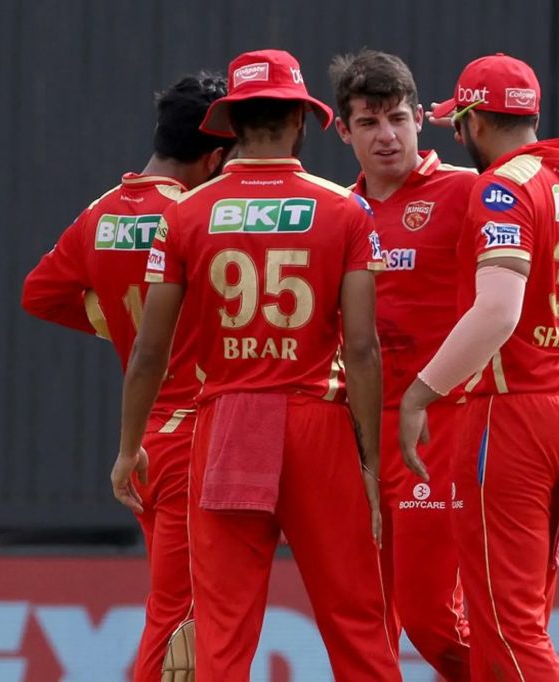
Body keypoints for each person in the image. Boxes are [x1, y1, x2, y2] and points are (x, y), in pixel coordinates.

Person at [111, 48, 401, 682]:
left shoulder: (184, 214)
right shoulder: (345, 210)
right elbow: (362, 349)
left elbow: (150, 352)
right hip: (316, 425)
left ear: (232, 124)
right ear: (300, 119)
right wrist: (371, 463)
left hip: (226, 426)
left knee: (221, 634)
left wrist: (130, 447)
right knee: (358, 624)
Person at [399, 53, 559, 680]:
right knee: (519, 622)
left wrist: (419, 394)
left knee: (507, 628)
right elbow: (558, 303)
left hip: (513, 418)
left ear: (474, 122)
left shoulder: (501, 190)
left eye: (461, 124)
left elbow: (499, 313)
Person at [21, 73, 233, 682]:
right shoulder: (197, 216)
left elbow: (40, 294)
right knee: (182, 612)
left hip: (148, 441)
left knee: (187, 610)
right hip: (195, 432)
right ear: (215, 158)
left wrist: (121, 324)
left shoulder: (100, 213)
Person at [330, 49, 473, 680]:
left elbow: (528, 301)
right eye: (369, 122)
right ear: (344, 131)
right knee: (367, 623)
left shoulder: (469, 192)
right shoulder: (335, 210)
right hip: (356, 434)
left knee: (431, 620)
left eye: (397, 118)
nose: (386, 135)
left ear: (420, 118)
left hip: (440, 427)